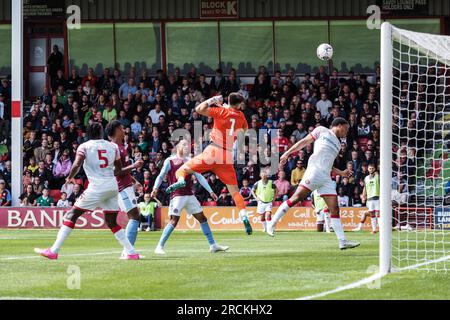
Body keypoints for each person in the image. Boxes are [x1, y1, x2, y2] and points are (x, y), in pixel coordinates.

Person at [35, 123, 143, 260]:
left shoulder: (85, 146)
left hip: (97, 187)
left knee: (72, 214)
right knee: (111, 222)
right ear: (101, 132)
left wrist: (70, 177)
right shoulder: (113, 147)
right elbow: (119, 171)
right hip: (112, 187)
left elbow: (77, 164)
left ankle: (54, 250)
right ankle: (131, 252)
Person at [166, 93, 253, 235]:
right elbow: (244, 131)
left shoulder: (221, 111)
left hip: (213, 150)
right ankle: (244, 216)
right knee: (235, 191)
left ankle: (181, 181)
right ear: (238, 105)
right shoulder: (241, 116)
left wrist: (213, 100)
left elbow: (199, 109)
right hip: (226, 156)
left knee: (181, 171)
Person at [267, 118, 360, 250]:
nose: (347, 132)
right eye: (346, 128)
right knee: (296, 198)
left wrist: (342, 173)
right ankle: (272, 223)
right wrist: (287, 153)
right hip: (314, 171)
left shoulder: (338, 144)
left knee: (334, 209)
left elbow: (329, 165)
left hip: (326, 177)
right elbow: (303, 142)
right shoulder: (321, 130)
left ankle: (342, 241)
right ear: (339, 126)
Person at [152, 140, 228, 254]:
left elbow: (199, 177)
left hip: (189, 195)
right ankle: (159, 246)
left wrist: (210, 191)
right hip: (177, 196)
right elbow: (161, 175)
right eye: (184, 145)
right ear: (178, 147)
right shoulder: (170, 160)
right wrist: (155, 188)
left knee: (202, 218)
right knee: (174, 220)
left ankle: (213, 245)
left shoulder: (190, 161)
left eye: (188, 145)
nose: (187, 147)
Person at [105, 120, 144, 255]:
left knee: (135, 216)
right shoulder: (113, 148)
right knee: (134, 216)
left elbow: (122, 169)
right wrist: (134, 166)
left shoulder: (121, 147)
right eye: (121, 128)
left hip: (126, 185)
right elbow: (116, 172)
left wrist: (134, 181)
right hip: (121, 187)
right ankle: (128, 251)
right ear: (116, 130)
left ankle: (128, 250)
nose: (124, 129)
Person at [353, 163, 380, 233]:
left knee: (379, 214)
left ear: (374, 169)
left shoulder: (378, 176)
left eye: (372, 168)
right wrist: (363, 196)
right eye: (370, 168)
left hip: (378, 198)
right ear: (368, 169)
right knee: (372, 215)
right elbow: (365, 187)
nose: (371, 170)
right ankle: (374, 230)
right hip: (370, 199)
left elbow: (376, 174)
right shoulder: (366, 178)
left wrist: (375, 172)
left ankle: (381, 229)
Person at [251, 168, 277, 233]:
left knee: (268, 214)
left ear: (267, 175)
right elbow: (252, 191)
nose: (264, 175)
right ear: (260, 175)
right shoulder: (257, 183)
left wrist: (274, 198)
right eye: (262, 174)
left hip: (269, 202)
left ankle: (269, 228)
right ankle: (265, 228)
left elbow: (276, 190)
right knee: (262, 217)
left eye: (265, 174)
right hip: (261, 203)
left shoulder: (271, 183)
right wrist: (256, 198)